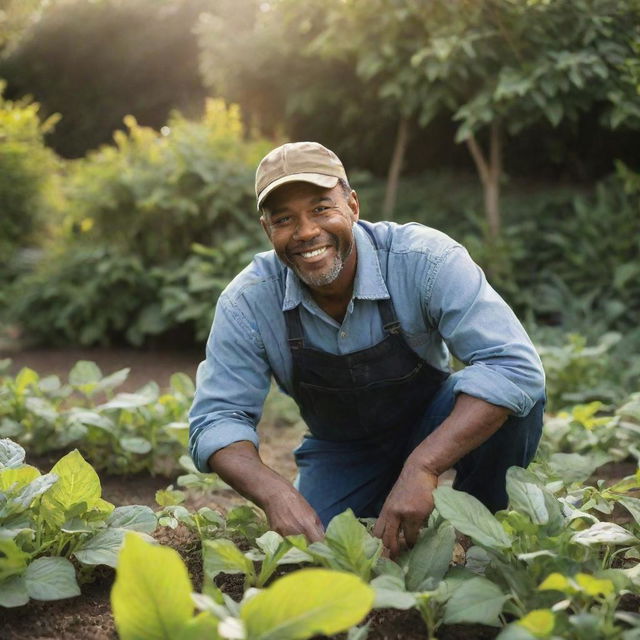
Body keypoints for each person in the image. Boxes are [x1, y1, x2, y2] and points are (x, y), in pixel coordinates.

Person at [189, 141, 545, 557]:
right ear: (268, 230)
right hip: (344, 448)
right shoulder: (248, 301)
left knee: (514, 401)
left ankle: (481, 530)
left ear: (353, 205)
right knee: (319, 550)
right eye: (285, 219)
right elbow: (216, 419)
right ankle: (390, 509)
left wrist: (424, 465)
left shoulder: (423, 259)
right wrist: (275, 495)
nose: (305, 231)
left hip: (433, 422)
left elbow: (513, 366)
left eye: (321, 208)